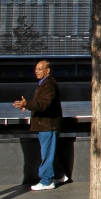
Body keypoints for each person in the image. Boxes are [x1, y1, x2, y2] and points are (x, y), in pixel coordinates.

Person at [13, 61, 66, 191]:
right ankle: (59, 175)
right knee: (49, 152)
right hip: (45, 125)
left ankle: (46, 181)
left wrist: (27, 104)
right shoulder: (44, 83)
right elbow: (40, 103)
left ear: (47, 70)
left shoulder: (49, 84)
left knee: (47, 153)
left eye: (40, 69)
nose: (36, 71)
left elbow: (44, 104)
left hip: (48, 125)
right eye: (36, 69)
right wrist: (28, 105)